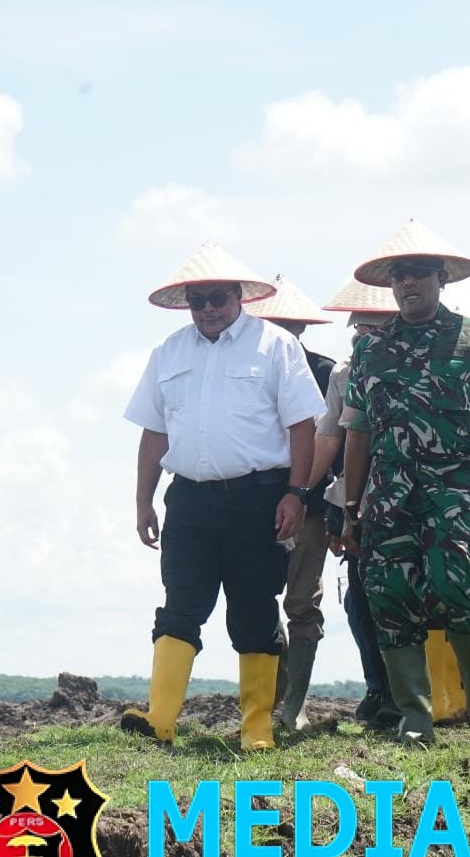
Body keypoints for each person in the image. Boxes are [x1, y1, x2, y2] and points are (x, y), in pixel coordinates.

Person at [122, 243, 325, 751]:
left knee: (254, 608)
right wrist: (143, 501)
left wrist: (297, 493)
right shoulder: (169, 352)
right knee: (180, 604)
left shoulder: (276, 345)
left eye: (217, 297)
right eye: (198, 300)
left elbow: (303, 426)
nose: (208, 308)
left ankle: (257, 727)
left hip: (258, 497)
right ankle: (159, 720)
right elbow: (154, 433)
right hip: (188, 500)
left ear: (239, 296)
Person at [340, 219, 470, 746]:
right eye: (399, 275)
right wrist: (351, 504)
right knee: (388, 593)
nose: (408, 283)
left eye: (419, 273)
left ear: (441, 279)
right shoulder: (371, 350)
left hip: (458, 488)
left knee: (456, 582)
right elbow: (358, 431)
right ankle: (414, 712)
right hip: (389, 493)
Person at [244, 276, 336, 733]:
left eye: (289, 323)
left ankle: (293, 705)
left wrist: (297, 493)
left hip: (310, 507)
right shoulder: (242, 369)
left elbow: (330, 440)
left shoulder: (325, 371)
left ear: (302, 326)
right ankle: (267, 700)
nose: (282, 330)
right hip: (249, 504)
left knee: (301, 601)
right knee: (256, 599)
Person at [312, 277, 400, 728]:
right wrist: (308, 494)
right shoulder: (343, 374)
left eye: (374, 327)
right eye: (358, 329)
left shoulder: (421, 363)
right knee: (361, 599)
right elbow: (331, 439)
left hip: (414, 497)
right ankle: (379, 687)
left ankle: (416, 693)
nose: (365, 335)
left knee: (410, 599)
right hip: (357, 500)